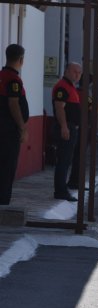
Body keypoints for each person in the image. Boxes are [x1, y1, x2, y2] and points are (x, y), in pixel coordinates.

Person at [0, 44, 29, 205]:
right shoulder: (13, 80)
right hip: (9, 131)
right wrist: (22, 128)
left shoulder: (1, 75)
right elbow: (13, 104)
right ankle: (3, 203)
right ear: (21, 60)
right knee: (7, 168)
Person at [52, 62, 82, 201]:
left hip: (71, 128)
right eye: (75, 71)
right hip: (66, 128)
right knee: (63, 161)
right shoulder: (62, 86)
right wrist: (64, 126)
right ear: (67, 71)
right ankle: (60, 191)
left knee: (66, 160)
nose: (77, 75)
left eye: (79, 73)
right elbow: (59, 108)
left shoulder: (71, 87)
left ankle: (63, 189)